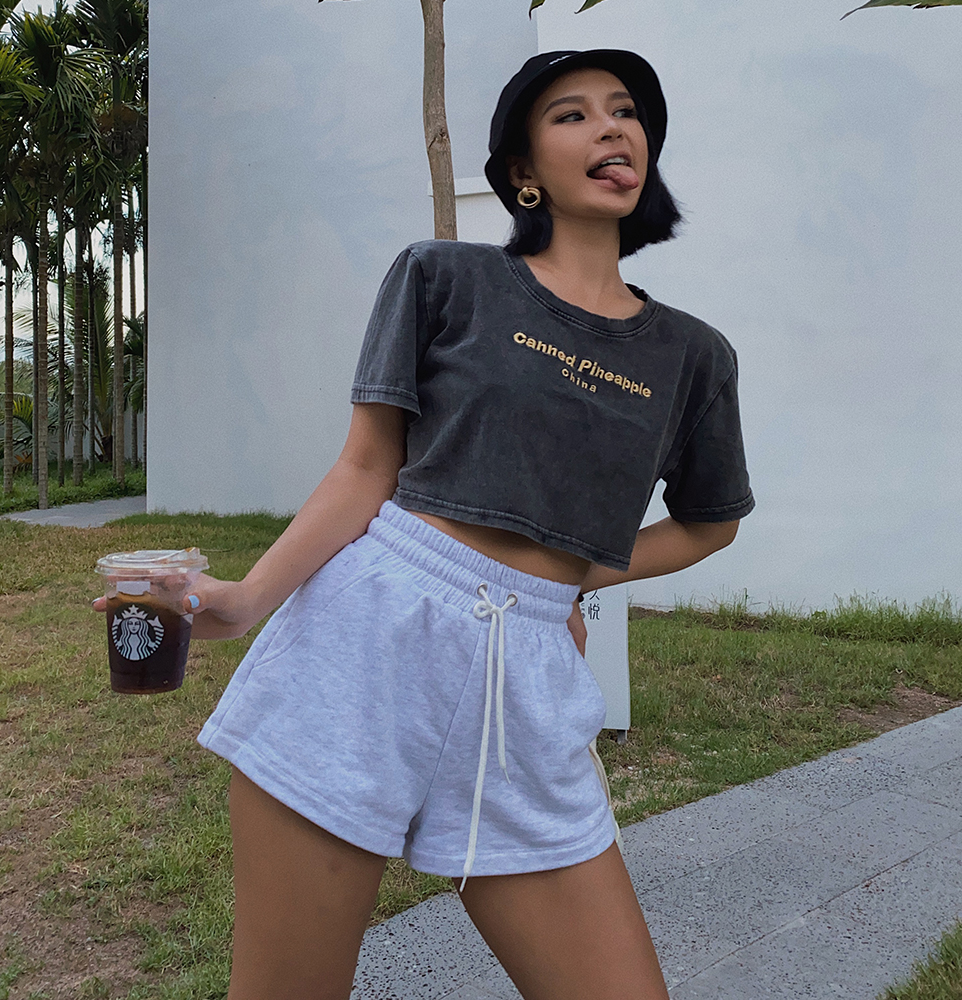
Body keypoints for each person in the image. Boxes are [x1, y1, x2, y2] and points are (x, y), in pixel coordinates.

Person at [100, 49, 754, 1000]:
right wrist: (242, 602)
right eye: (572, 115)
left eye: (625, 112)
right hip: (370, 642)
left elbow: (708, 522)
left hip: (530, 677)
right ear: (523, 171)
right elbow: (366, 467)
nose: (611, 127)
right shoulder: (445, 278)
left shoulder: (693, 356)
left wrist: (576, 578)